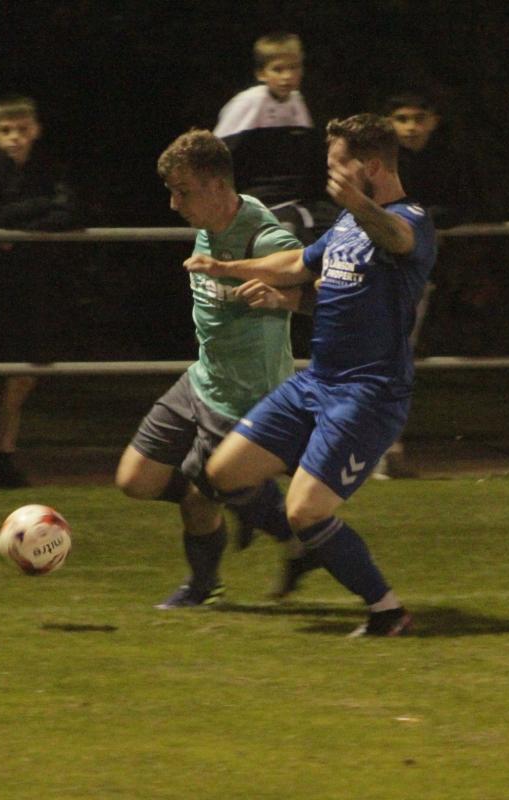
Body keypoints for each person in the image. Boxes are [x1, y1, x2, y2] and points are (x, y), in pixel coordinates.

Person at [185, 114, 437, 636]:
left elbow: (396, 240)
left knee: (305, 511)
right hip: (316, 383)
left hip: (367, 395)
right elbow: (301, 265)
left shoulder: (409, 220)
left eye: (337, 166)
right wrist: (231, 269)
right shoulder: (346, 224)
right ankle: (311, 544)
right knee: (224, 472)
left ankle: (387, 611)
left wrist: (358, 203)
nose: (330, 178)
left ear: (370, 167)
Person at [115, 129, 311, 609]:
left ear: (218, 185)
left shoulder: (262, 235)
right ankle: (247, 503)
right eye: (172, 191)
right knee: (135, 480)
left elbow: (304, 269)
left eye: (183, 191)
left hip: (246, 398)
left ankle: (205, 584)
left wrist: (276, 292)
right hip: (202, 379)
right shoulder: (211, 221)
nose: (174, 204)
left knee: (201, 495)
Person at [0, 96, 81, 488]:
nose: (15, 137)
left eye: (23, 129)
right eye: (6, 130)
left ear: (36, 130)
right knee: (10, 371)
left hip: (35, 278)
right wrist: (38, 210)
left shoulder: (47, 164)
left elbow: (69, 212)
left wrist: (21, 224)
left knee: (25, 372)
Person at [373, 92, 478, 478]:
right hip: (376, 268)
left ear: (433, 121)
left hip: (415, 273)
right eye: (402, 118)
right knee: (376, 358)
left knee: (394, 357)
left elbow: (465, 206)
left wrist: (418, 220)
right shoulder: (378, 161)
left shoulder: (448, 162)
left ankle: (385, 449)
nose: (411, 127)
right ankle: (375, 449)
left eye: (419, 118)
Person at [213, 32, 334, 242]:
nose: (287, 76)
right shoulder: (248, 103)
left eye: (293, 68)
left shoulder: (297, 102)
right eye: (278, 69)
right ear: (261, 73)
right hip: (260, 200)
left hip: (298, 199)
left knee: (347, 224)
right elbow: (216, 155)